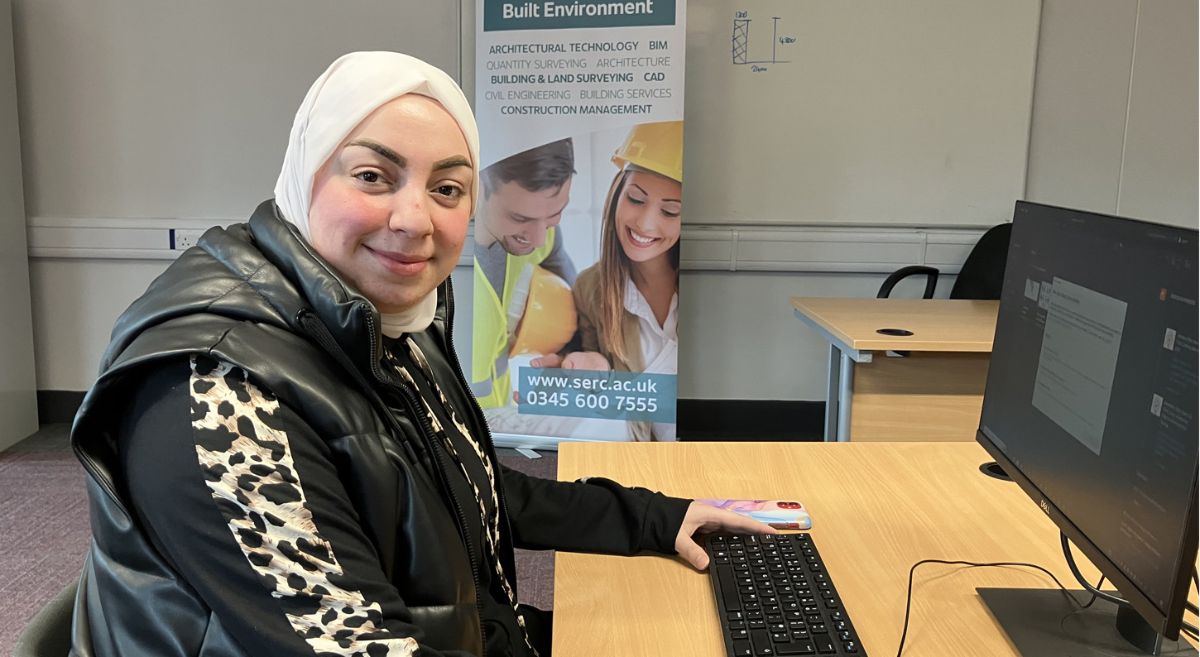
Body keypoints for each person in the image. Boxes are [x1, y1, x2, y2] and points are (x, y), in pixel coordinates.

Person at [68, 53, 768, 657]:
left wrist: (657, 517)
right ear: (307, 171)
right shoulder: (217, 392)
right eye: (373, 175)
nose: (413, 220)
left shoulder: (390, 317)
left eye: (446, 188)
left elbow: (471, 486)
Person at [540, 122, 683, 441]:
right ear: (617, 193)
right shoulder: (591, 288)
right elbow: (602, 379)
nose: (645, 223)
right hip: (635, 471)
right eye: (635, 198)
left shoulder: (706, 292)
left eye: (670, 211)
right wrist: (588, 365)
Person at [471, 139, 578, 410]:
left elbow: (582, 307)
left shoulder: (544, 235)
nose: (539, 238)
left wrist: (573, 353)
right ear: (478, 188)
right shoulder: (444, 260)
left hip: (503, 432)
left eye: (555, 213)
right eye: (520, 219)